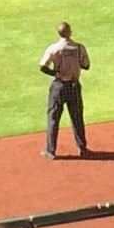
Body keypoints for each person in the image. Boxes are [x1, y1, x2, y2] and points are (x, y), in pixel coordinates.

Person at [39, 21, 91, 157]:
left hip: (59, 87)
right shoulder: (79, 48)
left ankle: (51, 151)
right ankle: (82, 149)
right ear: (70, 32)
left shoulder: (54, 49)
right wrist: (74, 63)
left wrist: (57, 73)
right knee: (77, 118)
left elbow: (43, 67)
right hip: (74, 86)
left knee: (53, 118)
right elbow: (86, 66)